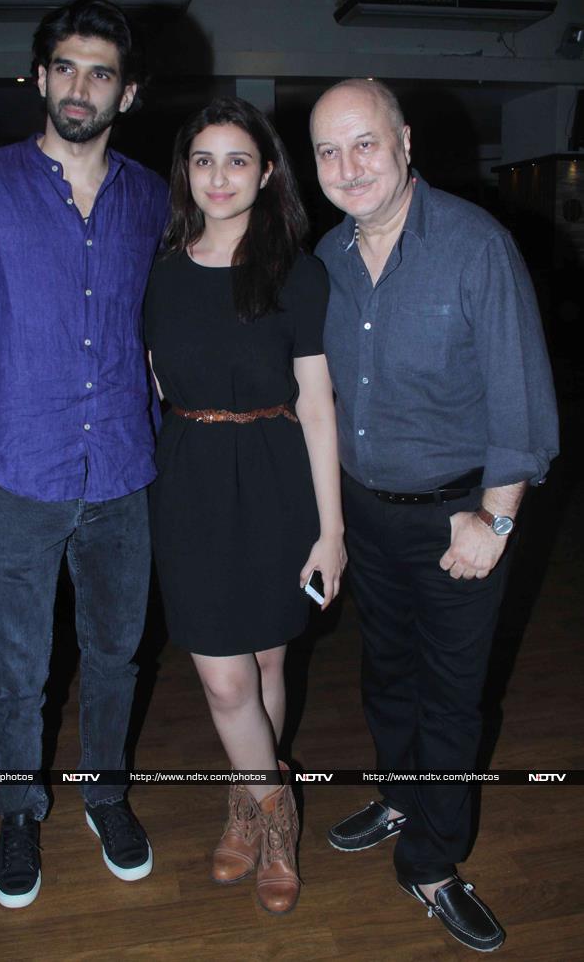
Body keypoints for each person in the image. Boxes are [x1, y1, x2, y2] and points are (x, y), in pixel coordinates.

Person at [0, 0, 168, 909]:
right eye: (65, 66)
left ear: (126, 93)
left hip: (127, 474)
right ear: (41, 76)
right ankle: (19, 810)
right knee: (17, 666)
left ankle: (106, 794)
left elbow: (160, 327)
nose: (79, 86)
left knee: (114, 654)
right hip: (17, 472)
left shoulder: (152, 198)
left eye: (101, 72)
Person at [311, 79, 558, 952]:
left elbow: (522, 402)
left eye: (364, 144)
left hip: (458, 519)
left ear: (404, 141)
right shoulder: (329, 256)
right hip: (368, 515)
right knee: (386, 674)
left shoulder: (475, 246)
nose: (348, 167)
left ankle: (433, 857)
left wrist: (493, 519)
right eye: (328, 152)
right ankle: (400, 791)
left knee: (451, 699)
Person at [144, 96, 346, 915]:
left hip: (277, 473)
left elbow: (320, 404)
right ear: (184, 173)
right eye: (203, 160)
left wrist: (330, 532)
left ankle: (243, 800)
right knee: (225, 680)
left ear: (266, 173)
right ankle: (277, 810)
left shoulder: (298, 269)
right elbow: (154, 382)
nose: (219, 177)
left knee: (267, 662)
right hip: (189, 478)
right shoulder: (157, 272)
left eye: (237, 160)